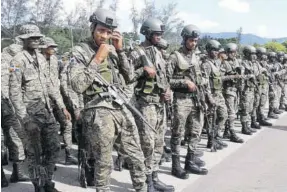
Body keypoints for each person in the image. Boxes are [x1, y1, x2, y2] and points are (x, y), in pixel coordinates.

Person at [69, 9, 148, 192]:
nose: (104, 36)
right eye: (101, 31)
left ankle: (142, 187)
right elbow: (77, 84)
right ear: (92, 29)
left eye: (108, 32)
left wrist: (119, 50)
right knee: (104, 162)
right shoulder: (80, 51)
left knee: (136, 155)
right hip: (97, 109)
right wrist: (97, 59)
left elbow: (129, 77)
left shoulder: (113, 50)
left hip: (119, 106)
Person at [9, 24, 61, 192]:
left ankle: (46, 180)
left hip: (46, 110)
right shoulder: (17, 60)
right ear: (24, 39)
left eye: (38, 37)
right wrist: (24, 119)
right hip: (30, 113)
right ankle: (38, 185)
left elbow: (49, 84)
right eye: (32, 37)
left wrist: (61, 106)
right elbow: (14, 91)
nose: (36, 40)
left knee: (53, 147)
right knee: (34, 153)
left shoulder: (41, 58)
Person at [129, 18, 174, 192]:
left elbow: (164, 77)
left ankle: (155, 177)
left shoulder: (158, 52)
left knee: (159, 142)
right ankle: (147, 182)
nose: (158, 37)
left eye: (160, 34)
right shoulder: (137, 52)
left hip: (159, 104)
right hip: (145, 103)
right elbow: (127, 77)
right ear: (147, 33)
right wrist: (143, 71)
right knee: (147, 143)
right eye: (156, 34)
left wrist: (168, 90)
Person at [167, 24, 208, 179]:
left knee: (196, 131)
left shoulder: (196, 57)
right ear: (184, 39)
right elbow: (166, 80)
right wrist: (184, 82)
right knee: (178, 133)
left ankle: (190, 161)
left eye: (196, 41)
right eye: (191, 40)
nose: (194, 43)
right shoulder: (174, 56)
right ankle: (176, 166)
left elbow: (201, 78)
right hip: (181, 100)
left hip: (197, 99)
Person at [41, 37, 77, 165]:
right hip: (43, 101)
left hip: (57, 99)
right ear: (44, 47)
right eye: (51, 47)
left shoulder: (55, 60)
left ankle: (68, 154)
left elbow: (60, 78)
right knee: (47, 131)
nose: (53, 49)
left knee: (67, 124)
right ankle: (47, 159)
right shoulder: (37, 61)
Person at [1, 44, 30, 186]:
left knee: (16, 136)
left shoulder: (13, 63)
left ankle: (17, 172)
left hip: (8, 104)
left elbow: (17, 83)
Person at [201, 40, 228, 148]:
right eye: (214, 50)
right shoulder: (206, 65)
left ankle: (217, 137)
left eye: (217, 50)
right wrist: (209, 97)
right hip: (211, 94)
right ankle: (211, 140)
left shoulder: (215, 63)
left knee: (223, 115)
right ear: (208, 50)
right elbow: (204, 82)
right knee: (211, 119)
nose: (216, 52)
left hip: (218, 93)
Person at [221, 43, 244, 143]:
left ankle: (227, 131)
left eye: (234, 52)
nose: (233, 54)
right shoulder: (224, 64)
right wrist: (233, 77)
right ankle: (231, 132)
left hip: (235, 89)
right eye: (231, 52)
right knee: (231, 113)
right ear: (227, 52)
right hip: (228, 90)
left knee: (233, 110)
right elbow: (220, 78)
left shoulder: (237, 62)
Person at [255, 47, 272, 126]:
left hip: (264, 84)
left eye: (265, 55)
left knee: (263, 102)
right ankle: (255, 119)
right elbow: (256, 74)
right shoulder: (255, 63)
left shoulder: (265, 63)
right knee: (256, 103)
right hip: (257, 85)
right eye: (262, 54)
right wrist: (262, 69)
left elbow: (269, 74)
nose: (264, 56)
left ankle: (261, 117)